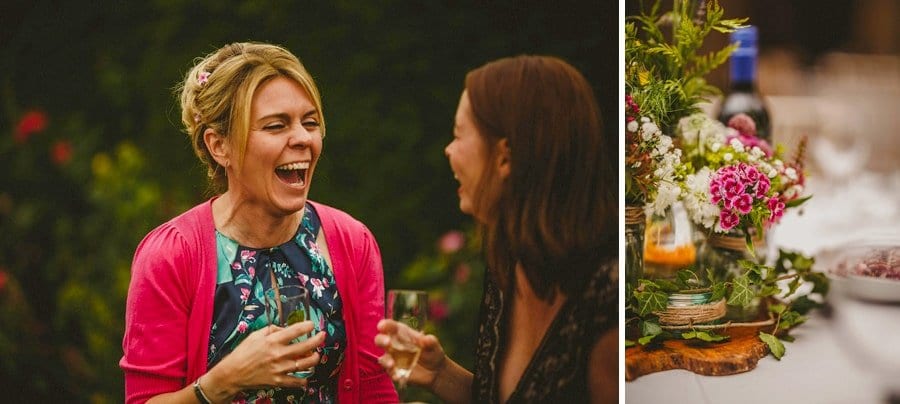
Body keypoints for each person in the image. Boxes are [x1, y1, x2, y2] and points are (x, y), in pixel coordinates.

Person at [120, 42, 398, 404]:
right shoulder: (172, 255)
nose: (302, 139)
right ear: (220, 146)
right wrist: (223, 381)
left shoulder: (351, 242)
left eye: (310, 123)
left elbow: (376, 389)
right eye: (276, 125)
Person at [375, 55, 618, 403]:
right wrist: (441, 373)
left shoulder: (606, 294)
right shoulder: (510, 263)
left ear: (505, 157)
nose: (448, 150)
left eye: (458, 135)